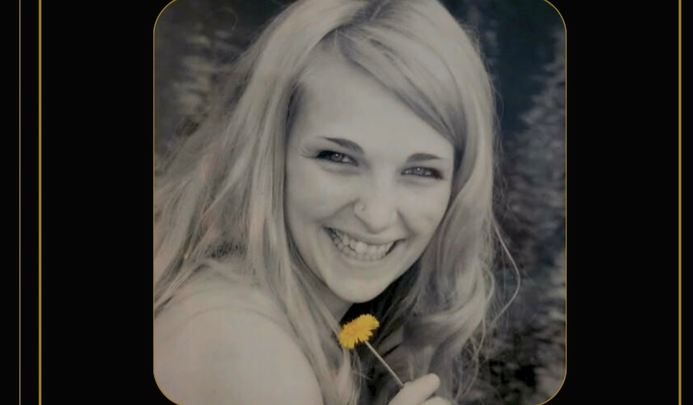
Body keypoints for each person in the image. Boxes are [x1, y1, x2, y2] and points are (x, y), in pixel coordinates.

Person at [153, 0, 517, 404]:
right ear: (269, 156)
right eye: (339, 158)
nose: (377, 215)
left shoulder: (237, 297)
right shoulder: (256, 362)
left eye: (419, 171)